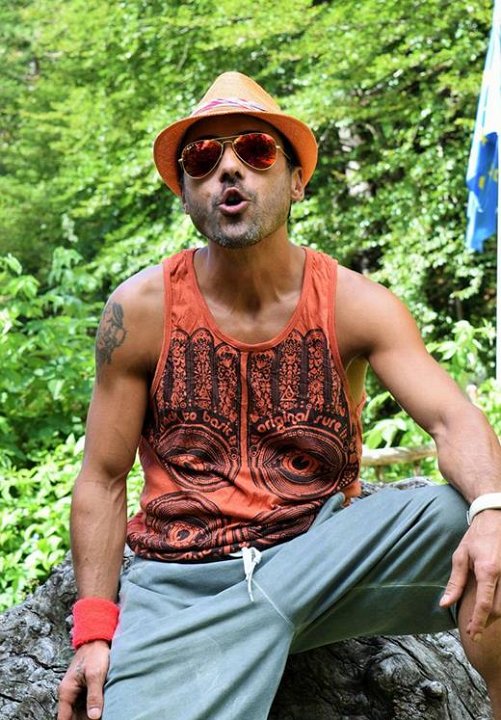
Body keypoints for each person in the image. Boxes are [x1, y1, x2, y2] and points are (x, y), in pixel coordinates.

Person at [58, 71, 501, 720]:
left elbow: (452, 418)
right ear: (185, 193)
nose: (228, 168)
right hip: (184, 589)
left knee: (483, 523)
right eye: (202, 159)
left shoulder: (355, 305)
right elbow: (101, 477)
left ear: (296, 180)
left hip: (325, 556)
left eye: (256, 149)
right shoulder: (141, 312)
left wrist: (490, 510)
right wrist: (94, 631)